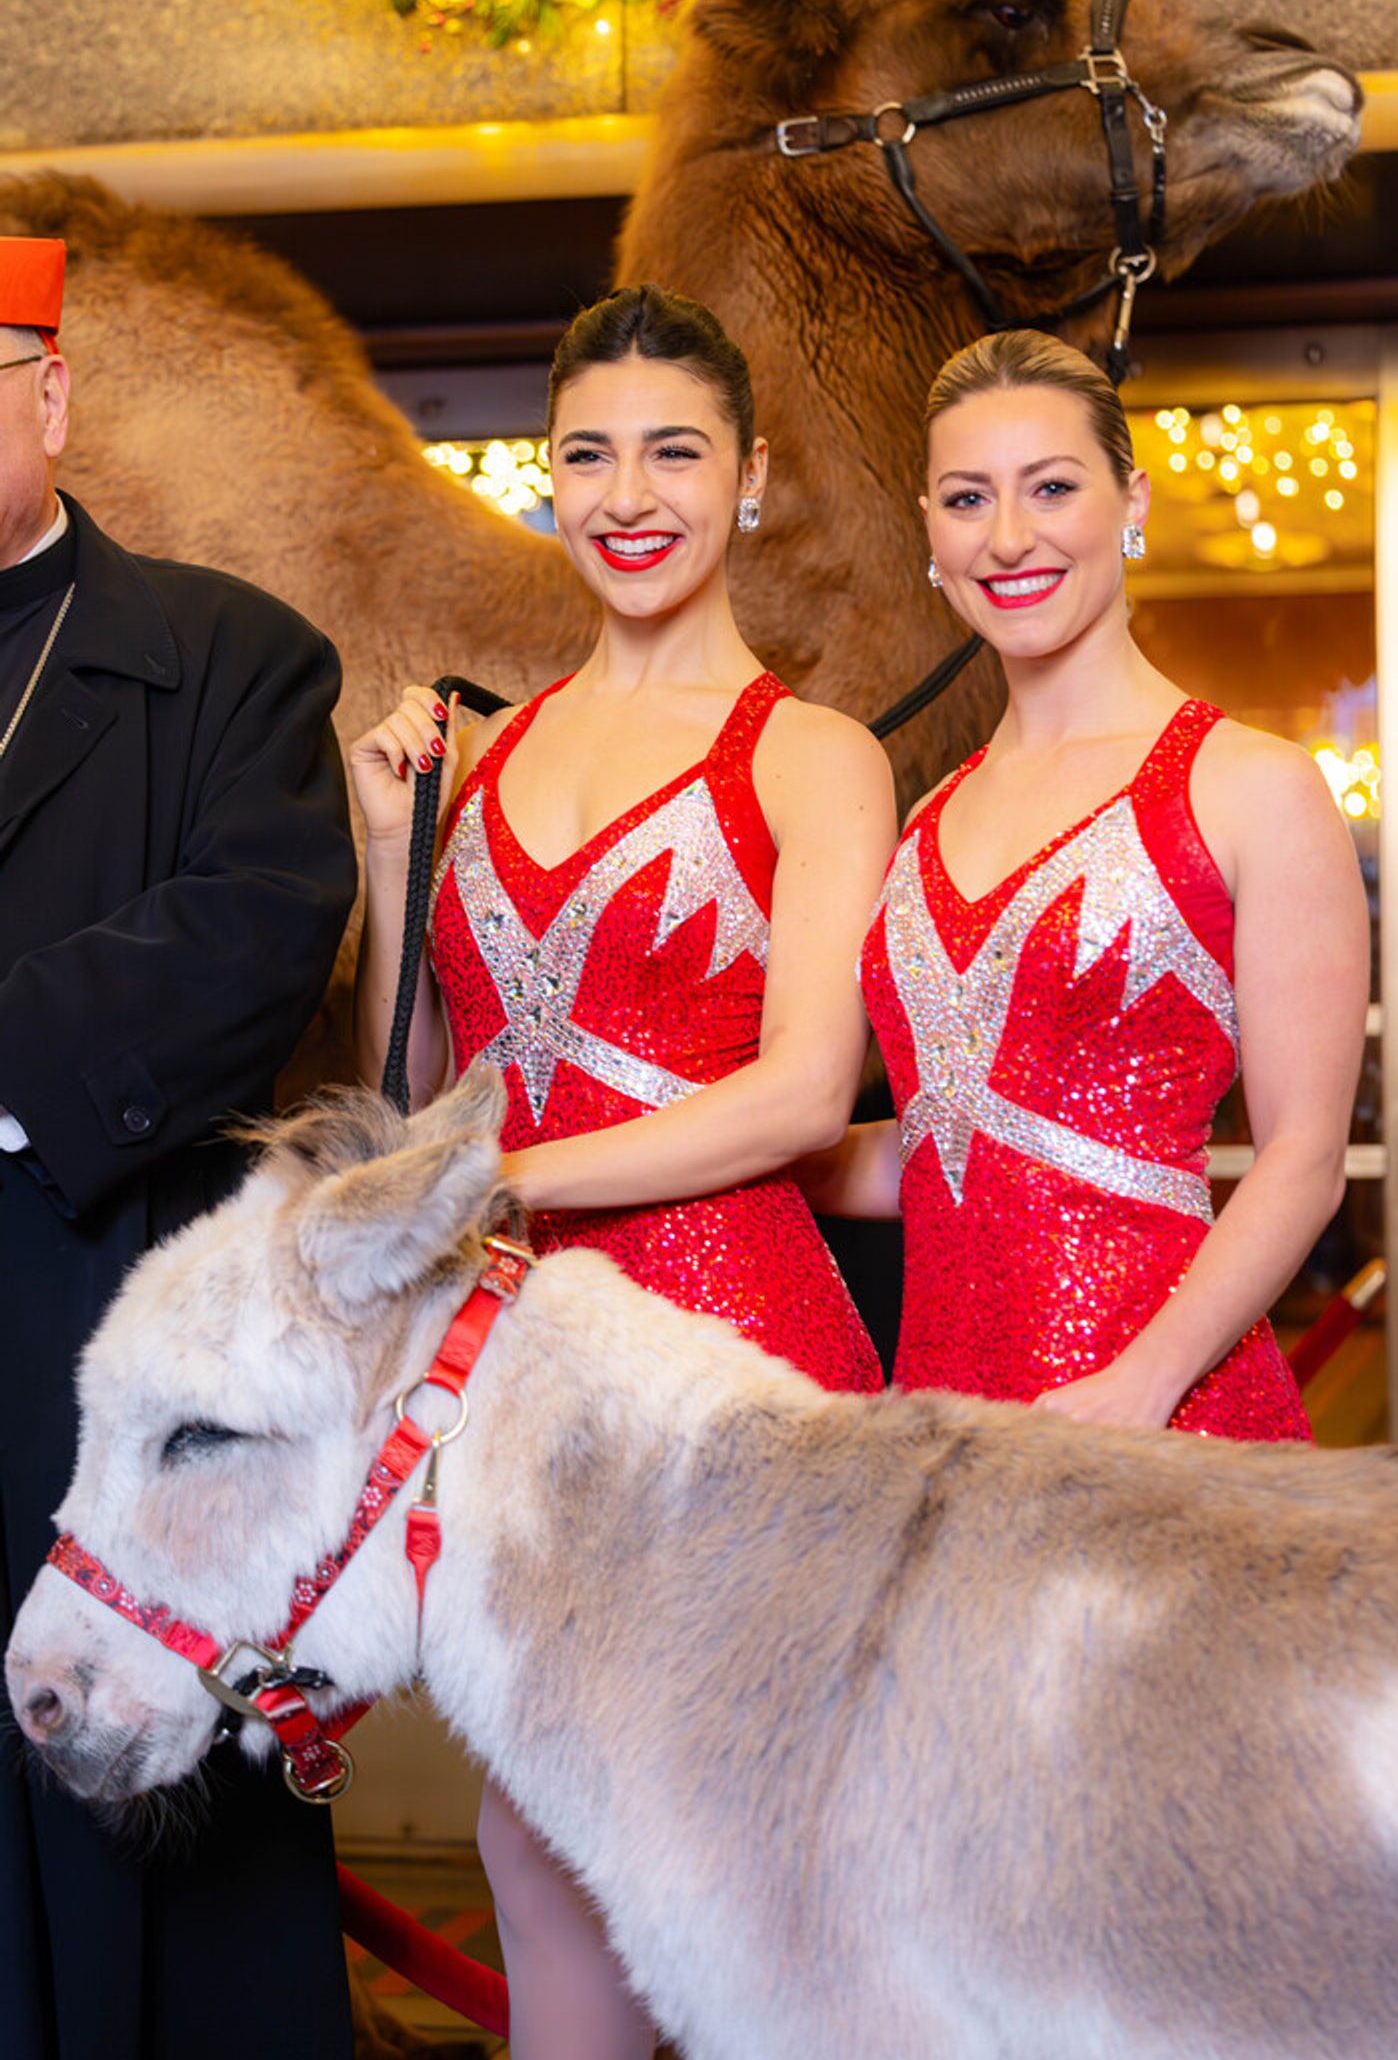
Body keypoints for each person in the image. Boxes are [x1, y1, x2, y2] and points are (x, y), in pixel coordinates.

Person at [351, 283, 894, 2059]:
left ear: (747, 480)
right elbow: (424, 1087)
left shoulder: (813, 752)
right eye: (588, 451)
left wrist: (507, 1172)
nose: (628, 490)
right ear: (549, 480)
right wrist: (385, 854)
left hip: (728, 1363)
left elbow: (805, 1091)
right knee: (533, 1829)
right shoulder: (487, 750)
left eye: (676, 448)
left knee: (750, 1860)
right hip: (524, 1366)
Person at [0, 237, 358, 2060]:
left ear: (48, 396)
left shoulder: (232, 655)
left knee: (129, 1833)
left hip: (90, 1312)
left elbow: (260, 923)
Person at [804, 328, 1367, 1440]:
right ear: (928, 529)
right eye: (966, 499)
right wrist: (643, 1141)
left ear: (1131, 501)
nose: (1007, 536)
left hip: (1158, 1424)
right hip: (943, 1422)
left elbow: (1302, 1160)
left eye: (1050, 487)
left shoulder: (1250, 786)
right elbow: (934, 1146)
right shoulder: (922, 822)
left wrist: (1140, 1385)